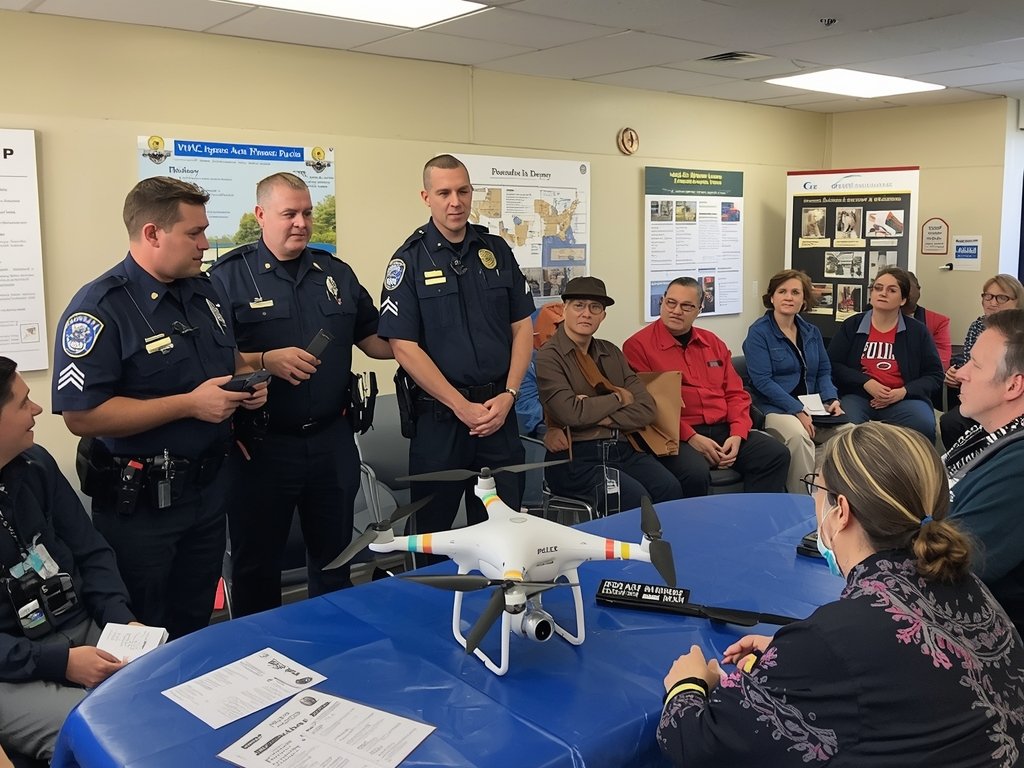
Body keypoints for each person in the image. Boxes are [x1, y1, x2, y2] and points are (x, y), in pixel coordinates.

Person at [658, 422, 1024, 767]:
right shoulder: (967, 585)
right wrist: (792, 658)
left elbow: (700, 746)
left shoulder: (833, 639)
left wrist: (687, 683)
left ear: (841, 511)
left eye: (815, 489)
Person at [51, 177, 267, 639]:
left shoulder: (205, 293)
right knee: (141, 633)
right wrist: (189, 405)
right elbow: (81, 416)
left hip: (207, 494)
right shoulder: (100, 308)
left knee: (194, 626)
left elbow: (226, 363)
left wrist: (243, 390)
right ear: (152, 233)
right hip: (141, 507)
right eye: (194, 233)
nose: (205, 245)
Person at [208, 172, 392, 617]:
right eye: (289, 213)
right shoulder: (228, 278)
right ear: (260, 215)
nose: (301, 223)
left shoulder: (335, 274)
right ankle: (259, 665)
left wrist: (425, 341)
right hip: (261, 447)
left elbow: (376, 340)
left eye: (307, 212)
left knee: (335, 563)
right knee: (257, 570)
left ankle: (333, 654)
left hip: (331, 440)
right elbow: (213, 360)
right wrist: (265, 359)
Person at [378, 154, 534, 537]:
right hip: (440, 421)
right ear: (426, 196)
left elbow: (522, 328)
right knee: (433, 535)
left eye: (463, 191)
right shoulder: (409, 261)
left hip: (498, 413)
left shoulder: (496, 250)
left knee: (504, 531)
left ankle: (502, 598)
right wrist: (460, 405)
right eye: (444, 192)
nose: (455, 201)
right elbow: (403, 345)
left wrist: (511, 394)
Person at [0, 358, 136, 761]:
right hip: (13, 666)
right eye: (24, 403)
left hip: (82, 629)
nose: (38, 410)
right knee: (99, 734)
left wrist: (122, 622)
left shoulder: (36, 464)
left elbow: (91, 551)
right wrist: (62, 664)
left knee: (161, 691)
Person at [623, 277, 789, 498]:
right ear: (661, 302)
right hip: (675, 435)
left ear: (699, 309)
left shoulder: (713, 343)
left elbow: (736, 394)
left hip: (723, 429)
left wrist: (738, 434)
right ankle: (696, 530)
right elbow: (649, 406)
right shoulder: (638, 346)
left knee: (775, 454)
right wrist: (692, 438)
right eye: (670, 303)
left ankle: (754, 523)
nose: (676, 311)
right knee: (694, 472)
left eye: (686, 306)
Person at [535, 277, 682, 511]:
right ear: (565, 309)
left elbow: (646, 408)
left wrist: (598, 414)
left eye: (595, 308)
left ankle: (665, 548)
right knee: (637, 500)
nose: (587, 314)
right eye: (579, 305)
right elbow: (571, 414)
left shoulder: (610, 352)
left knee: (670, 488)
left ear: (603, 315)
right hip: (576, 458)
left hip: (622, 448)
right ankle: (638, 548)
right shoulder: (549, 356)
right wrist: (619, 398)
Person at [945, 309, 1024, 635]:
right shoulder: (984, 431)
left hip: (978, 635)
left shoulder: (1017, 469)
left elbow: (950, 566)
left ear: (1013, 386)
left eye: (975, 365)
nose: (961, 373)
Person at [742, 270, 847, 495]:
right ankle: (801, 504)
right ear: (772, 298)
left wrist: (831, 399)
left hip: (814, 407)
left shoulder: (811, 331)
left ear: (803, 300)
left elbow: (824, 370)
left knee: (849, 433)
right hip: (774, 409)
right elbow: (762, 381)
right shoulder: (758, 333)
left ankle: (825, 492)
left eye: (795, 292)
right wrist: (796, 409)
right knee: (799, 438)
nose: (788, 297)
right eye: (782, 292)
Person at [827, 266, 942, 443]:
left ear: (903, 299)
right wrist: (866, 382)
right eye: (878, 288)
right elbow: (833, 365)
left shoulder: (917, 331)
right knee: (844, 427)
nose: (883, 293)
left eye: (892, 290)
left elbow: (934, 375)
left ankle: (916, 470)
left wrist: (903, 392)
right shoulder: (852, 325)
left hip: (904, 399)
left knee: (923, 424)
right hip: (859, 397)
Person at [941, 273, 1024, 447]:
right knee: (950, 421)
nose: (993, 303)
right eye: (988, 296)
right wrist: (954, 373)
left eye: (1002, 297)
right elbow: (968, 363)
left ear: (1017, 301)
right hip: (981, 392)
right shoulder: (977, 326)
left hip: (1008, 401)